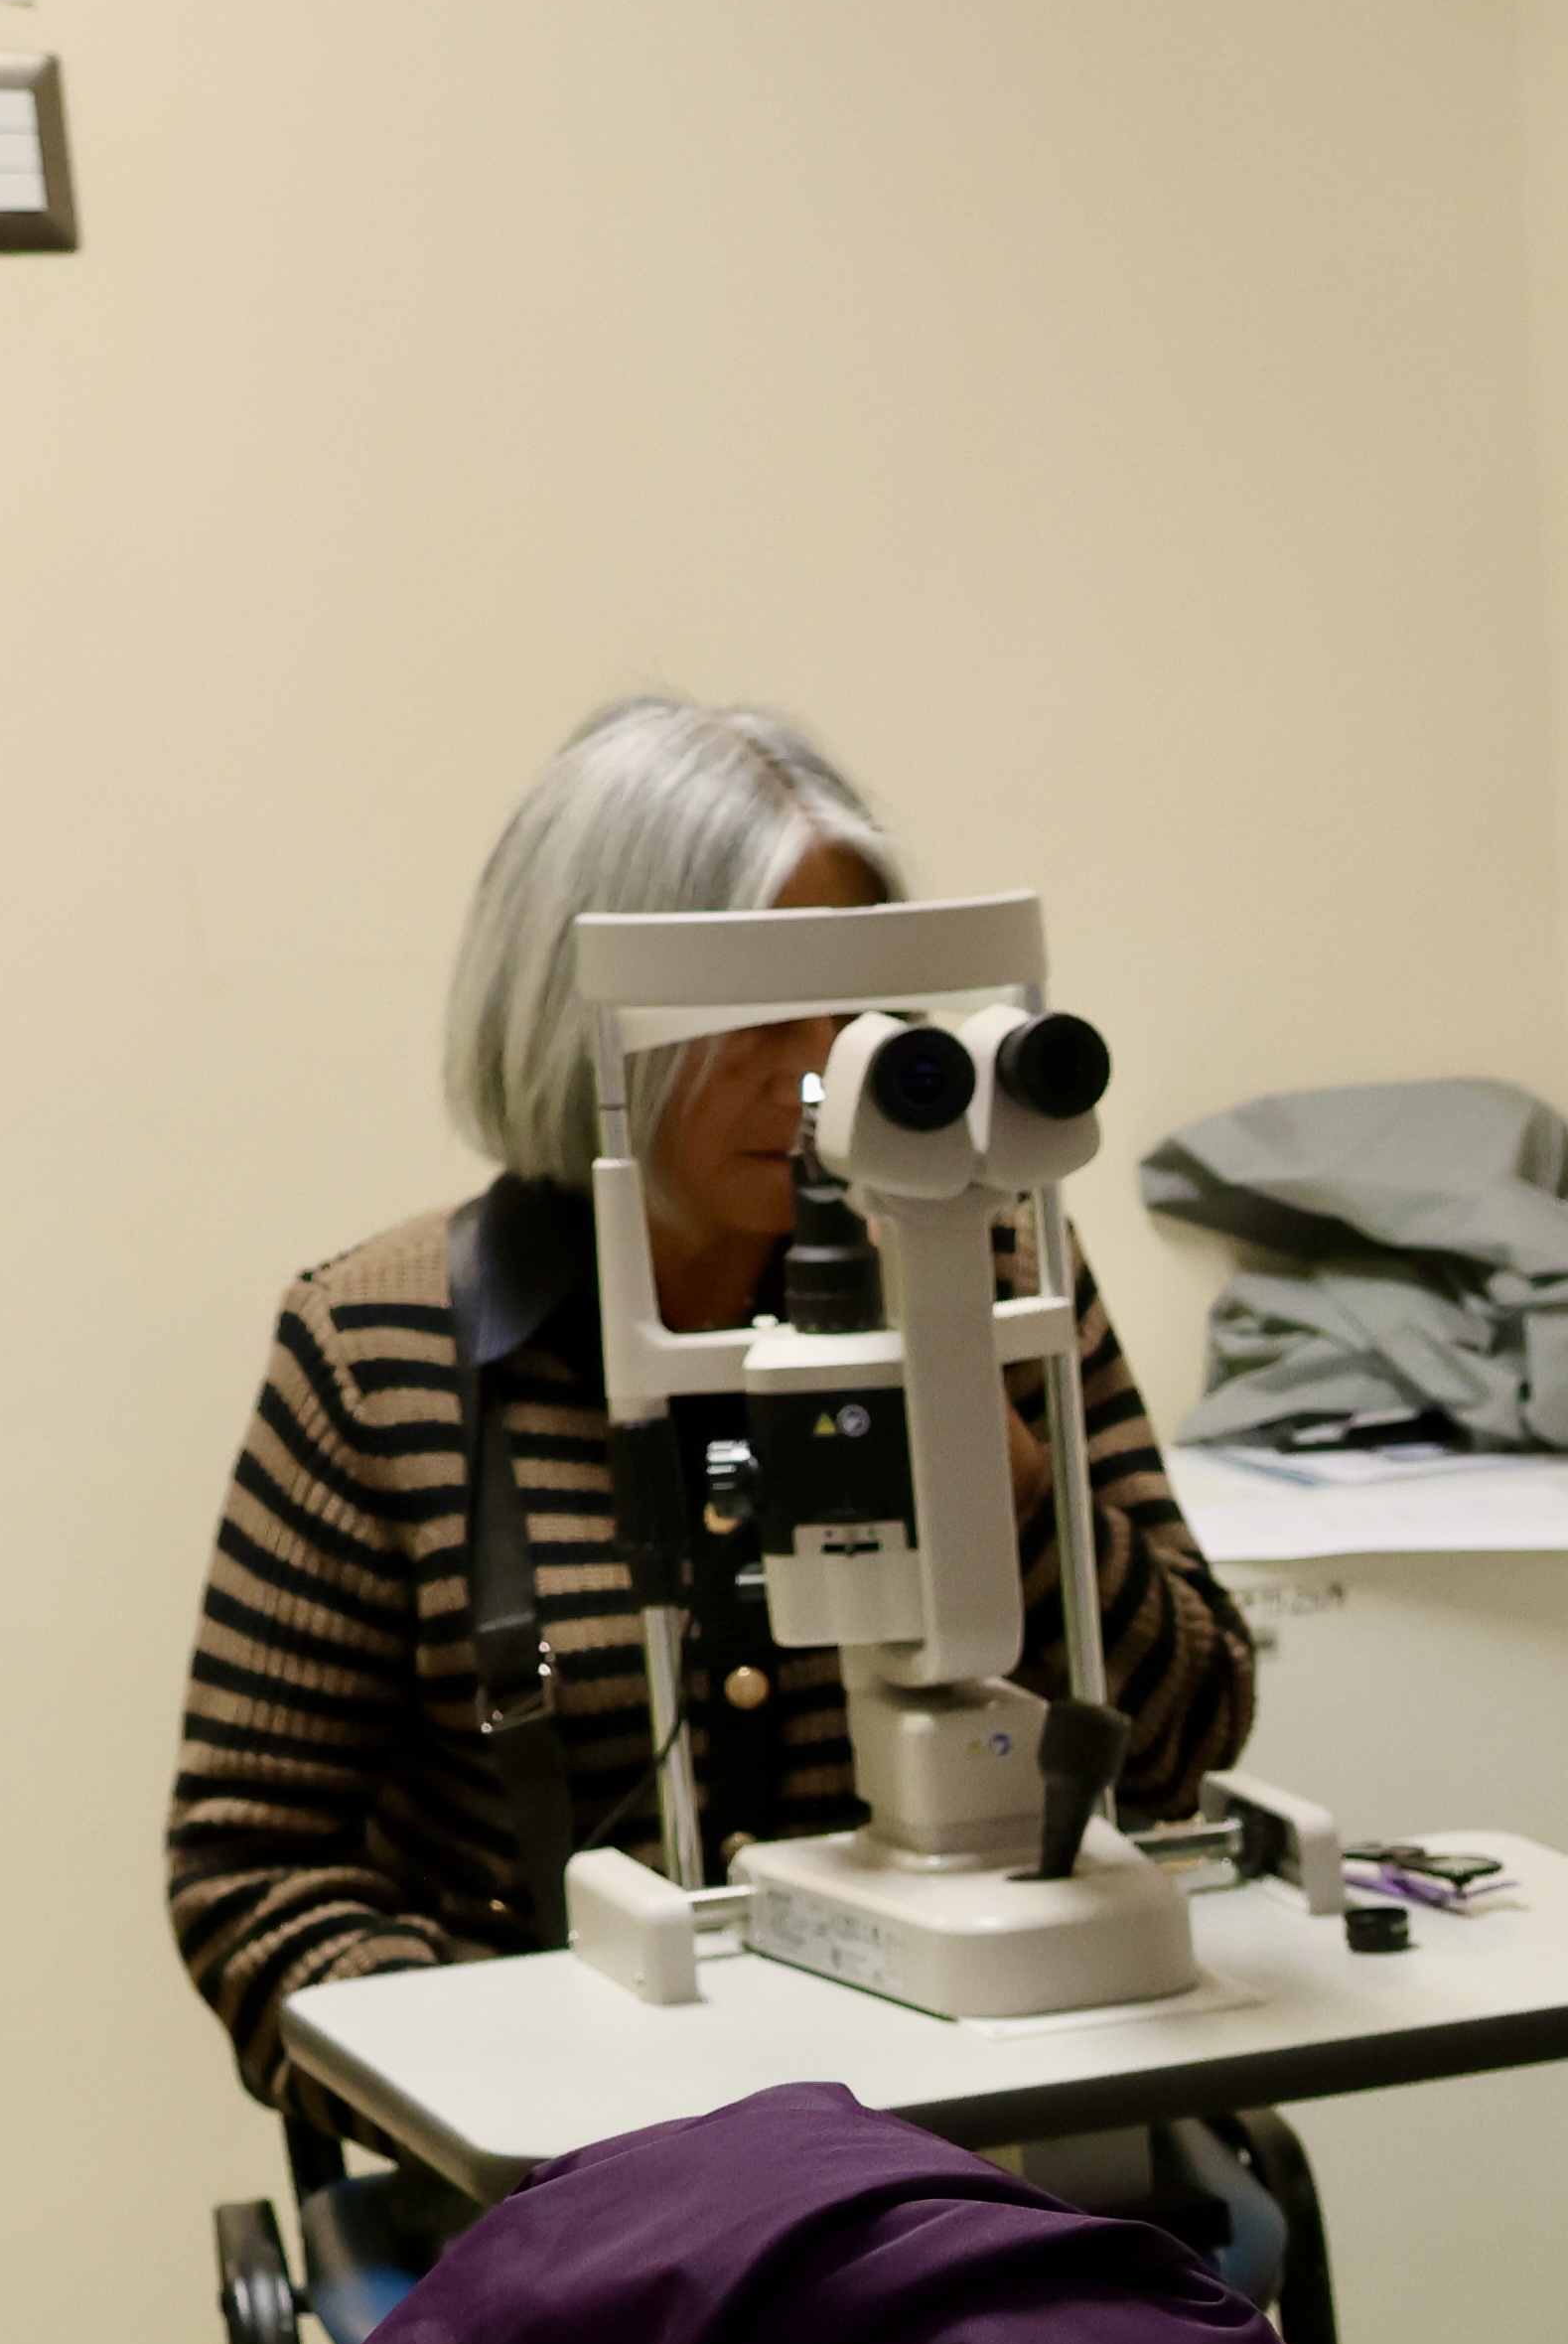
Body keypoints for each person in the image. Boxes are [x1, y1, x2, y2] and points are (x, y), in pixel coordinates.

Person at [163, 696, 1249, 2143]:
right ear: (582, 1027)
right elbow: (248, 1873)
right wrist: (515, 2100)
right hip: (590, 2168)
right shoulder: (378, 1349)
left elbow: (1191, 1731)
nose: (813, 1073)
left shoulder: (989, 1277)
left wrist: (1008, 1478)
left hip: (974, 2127)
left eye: (855, 1013)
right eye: (754, 1015)